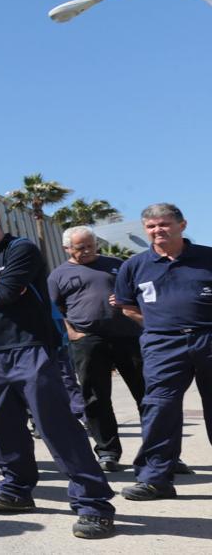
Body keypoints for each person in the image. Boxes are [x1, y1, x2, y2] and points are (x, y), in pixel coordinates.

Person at [0, 196, 114, 539]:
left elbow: (6, 293)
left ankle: (93, 503)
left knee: (56, 425)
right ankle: (15, 490)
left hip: (30, 348)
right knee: (3, 427)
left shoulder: (21, 249)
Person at [114, 204, 212, 501]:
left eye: (164, 224)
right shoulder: (134, 265)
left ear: (182, 225)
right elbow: (127, 306)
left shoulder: (208, 257)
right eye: (151, 226)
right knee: (159, 408)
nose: (158, 230)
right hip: (161, 344)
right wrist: (161, 325)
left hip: (208, 338)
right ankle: (155, 479)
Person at [47, 226, 146, 473]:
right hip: (87, 340)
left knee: (147, 394)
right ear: (67, 248)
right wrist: (71, 332)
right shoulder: (58, 275)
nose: (89, 251)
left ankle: (160, 453)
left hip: (128, 336)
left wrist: (128, 302)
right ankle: (107, 452)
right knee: (95, 397)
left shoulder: (117, 264)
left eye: (91, 245)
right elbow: (53, 308)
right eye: (81, 248)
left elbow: (139, 293)